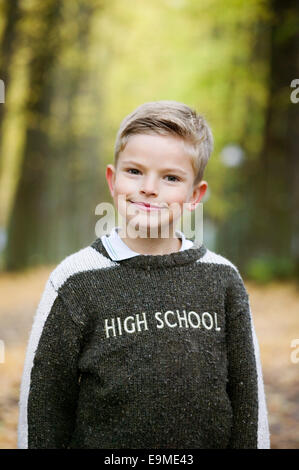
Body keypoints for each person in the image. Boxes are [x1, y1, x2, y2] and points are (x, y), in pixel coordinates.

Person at [18, 100, 270, 449]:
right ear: (112, 179)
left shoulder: (222, 280)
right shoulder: (75, 281)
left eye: (171, 177)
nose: (149, 188)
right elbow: (44, 406)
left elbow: (248, 401)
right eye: (134, 171)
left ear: (195, 195)